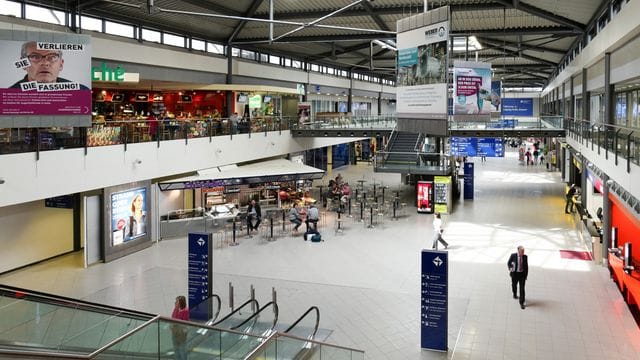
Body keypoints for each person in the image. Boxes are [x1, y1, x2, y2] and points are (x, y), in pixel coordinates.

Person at [9, 41, 89, 90]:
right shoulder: (10, 95)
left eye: (52, 57)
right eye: (35, 57)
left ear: (61, 64)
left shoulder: (81, 91)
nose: (45, 63)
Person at [171, 295, 189, 360]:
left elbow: (184, 322)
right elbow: (172, 318)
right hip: (175, 332)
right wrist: (176, 309)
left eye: (176, 301)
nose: (175, 303)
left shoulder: (185, 311)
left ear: (181, 302)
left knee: (182, 350)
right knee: (176, 350)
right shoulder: (176, 309)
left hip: (181, 334)